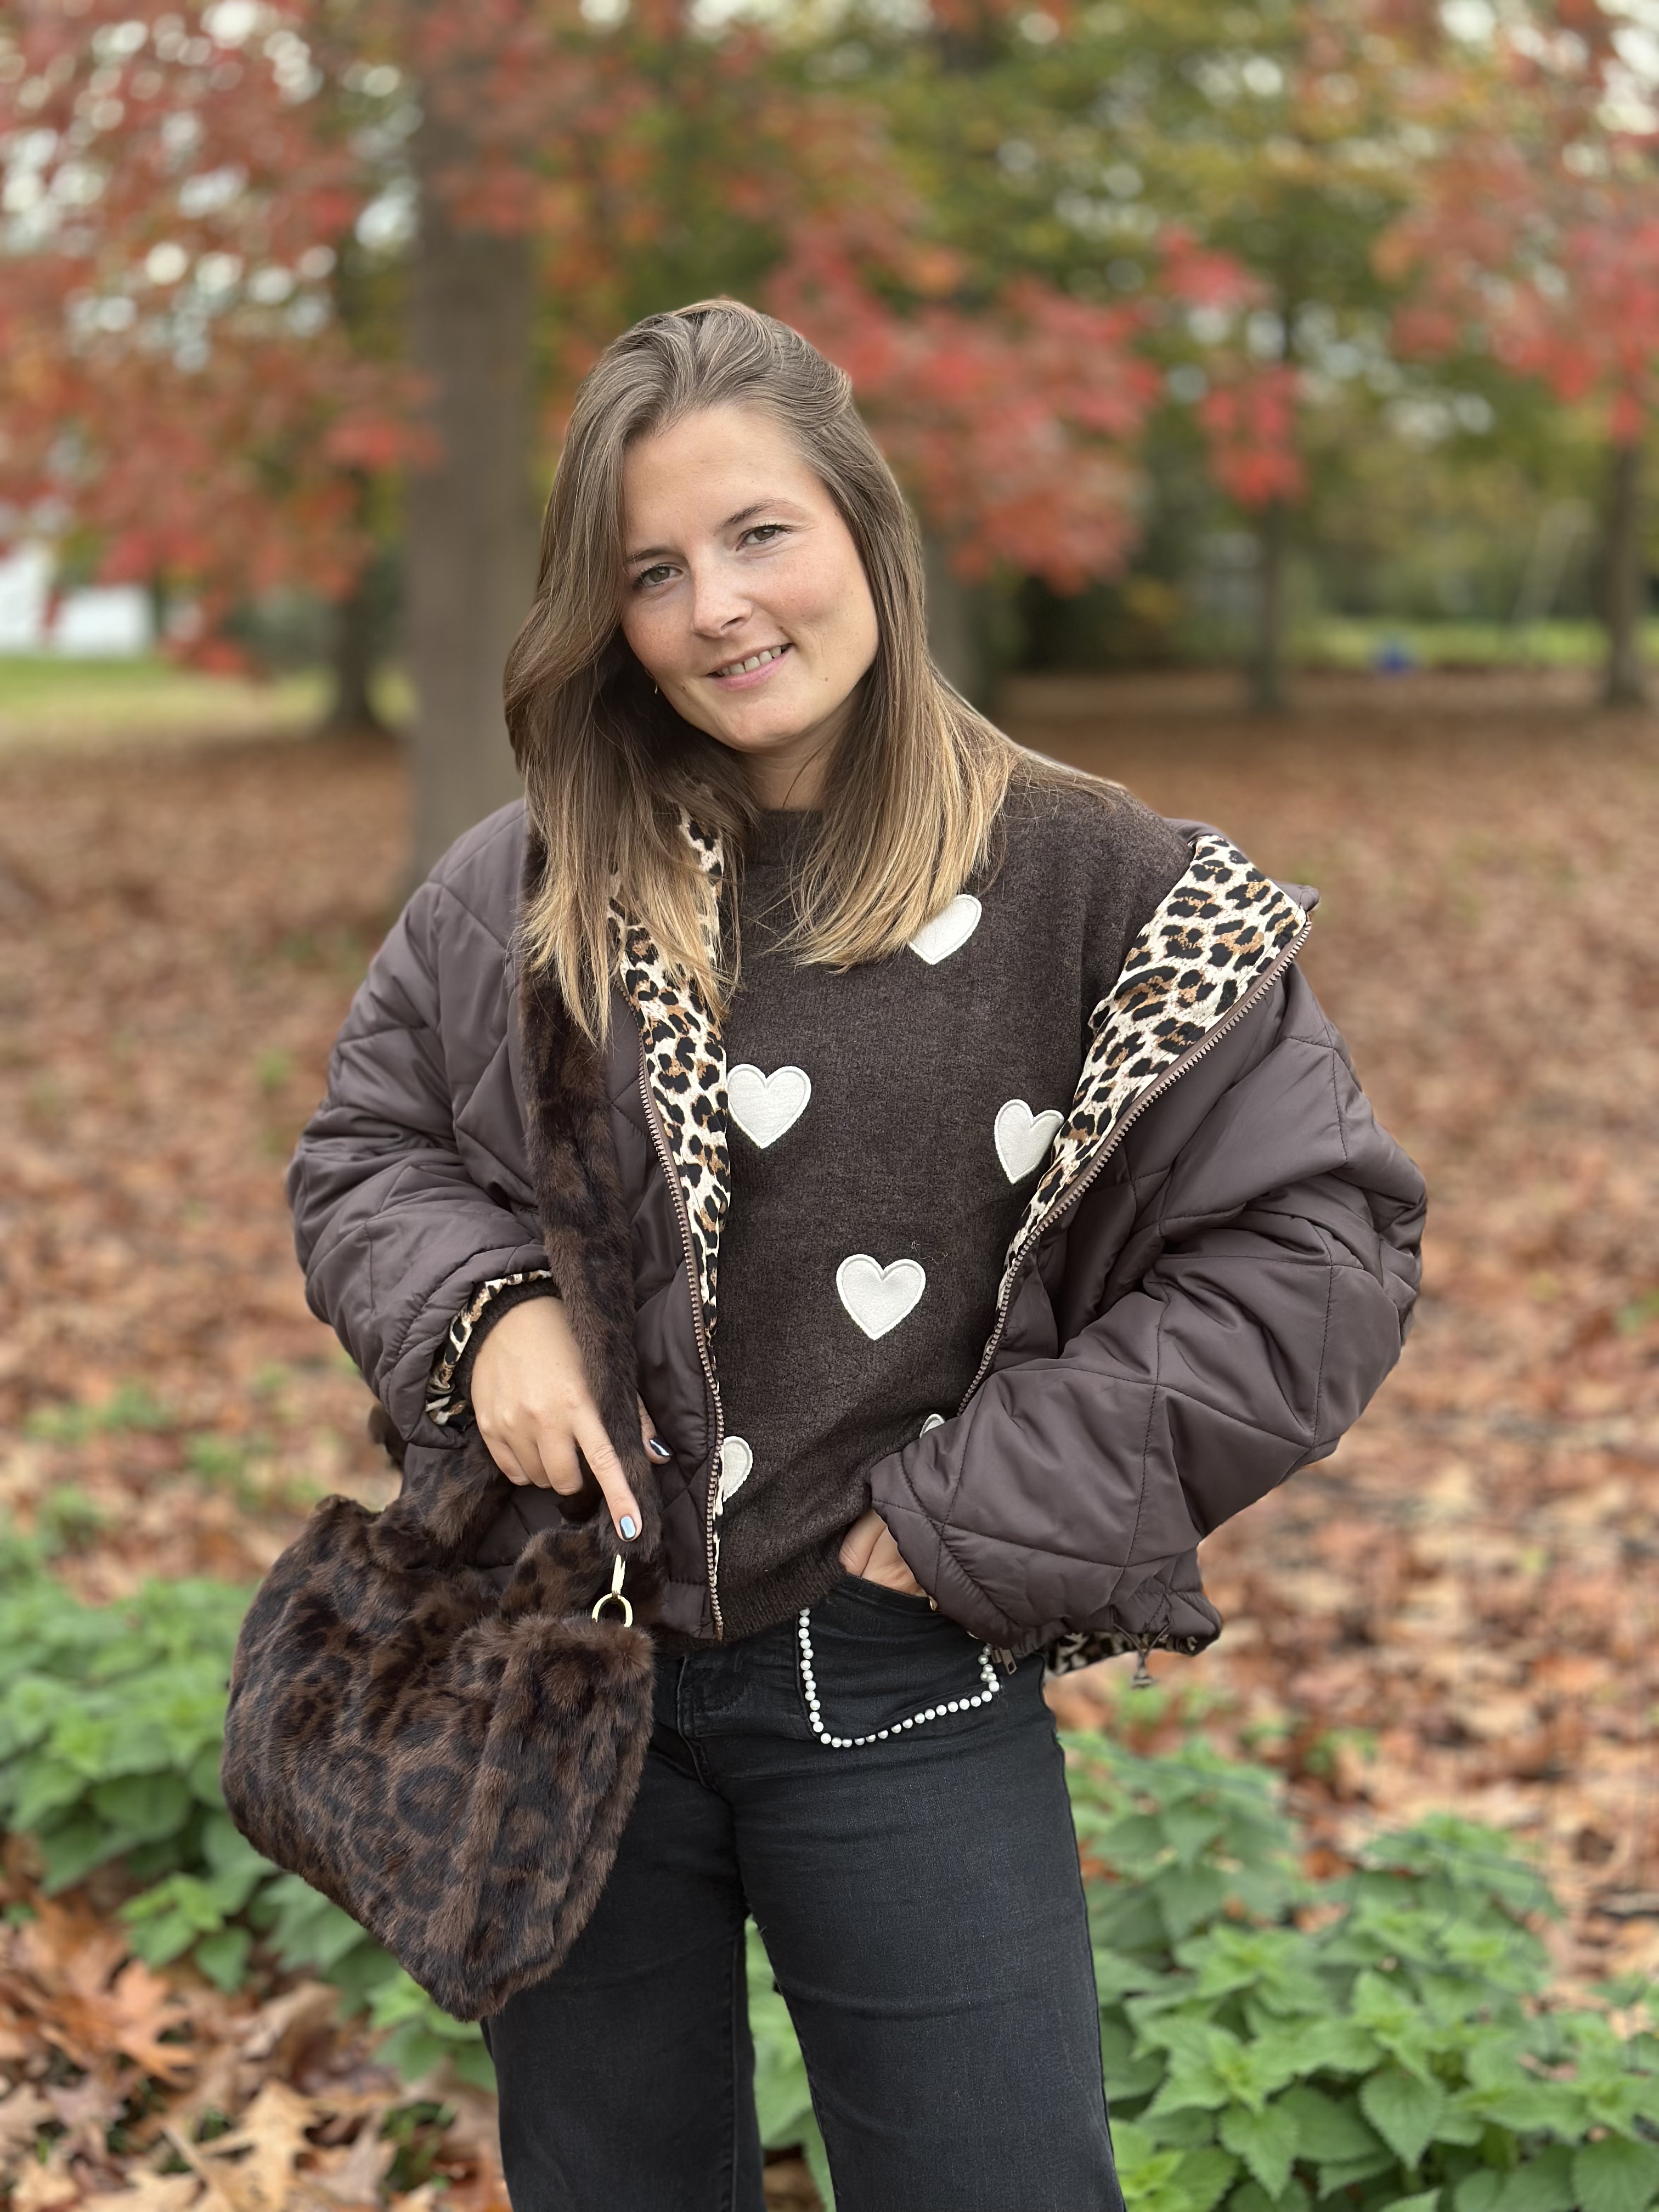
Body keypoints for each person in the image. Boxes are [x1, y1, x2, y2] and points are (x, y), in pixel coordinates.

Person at [287, 299, 1425, 2212]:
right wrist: (491, 1317)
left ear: (868, 532)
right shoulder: (532, 877)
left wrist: (962, 1516)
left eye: (761, 536)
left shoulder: (1102, 884)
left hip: (901, 1675)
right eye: (652, 573)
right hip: (572, 1667)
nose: (719, 609)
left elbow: (1318, 1244)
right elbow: (371, 1150)